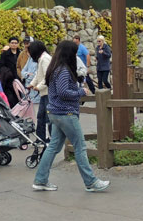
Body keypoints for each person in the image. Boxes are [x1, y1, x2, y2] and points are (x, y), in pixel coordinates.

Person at [31, 40, 109, 193]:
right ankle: (91, 181)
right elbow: (63, 92)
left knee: (53, 147)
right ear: (69, 54)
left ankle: (40, 180)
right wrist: (81, 92)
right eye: (74, 53)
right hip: (66, 113)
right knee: (80, 147)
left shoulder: (54, 68)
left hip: (55, 113)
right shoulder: (64, 70)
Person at [28, 41, 52, 143]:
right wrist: (32, 84)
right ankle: (40, 138)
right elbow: (39, 74)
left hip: (48, 93)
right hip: (44, 93)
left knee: (48, 118)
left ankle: (49, 138)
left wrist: (39, 87)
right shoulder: (41, 59)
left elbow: (48, 76)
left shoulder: (45, 59)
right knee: (41, 117)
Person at [20, 41, 43, 123]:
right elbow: (23, 71)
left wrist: (29, 76)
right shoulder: (30, 59)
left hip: (37, 90)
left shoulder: (40, 60)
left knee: (38, 112)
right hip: (29, 89)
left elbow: (37, 75)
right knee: (31, 111)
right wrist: (27, 75)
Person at [0, 37, 20, 106]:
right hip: (8, 81)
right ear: (9, 44)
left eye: (15, 43)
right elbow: (0, 67)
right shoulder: (4, 55)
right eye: (12, 43)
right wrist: (8, 72)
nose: (14, 45)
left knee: (19, 98)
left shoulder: (21, 54)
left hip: (19, 80)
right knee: (10, 99)